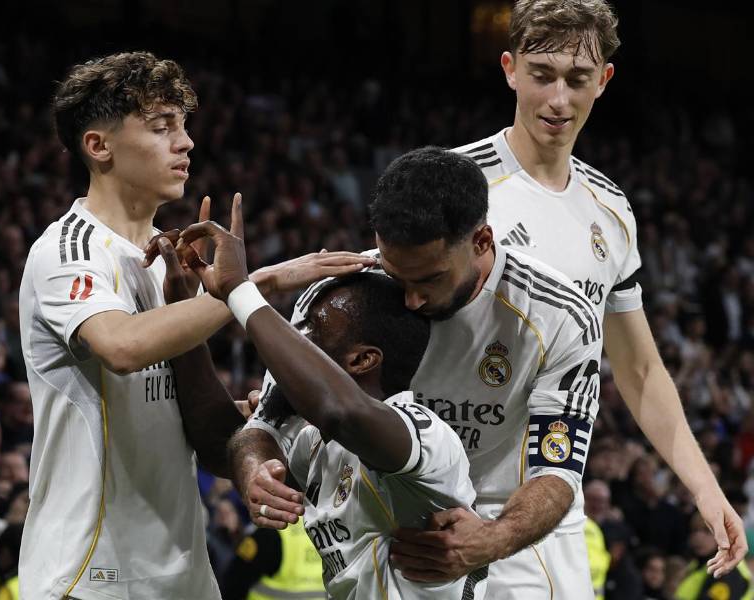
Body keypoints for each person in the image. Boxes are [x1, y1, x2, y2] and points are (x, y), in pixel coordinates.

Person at [18, 50, 372, 600]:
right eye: (161, 128)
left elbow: (188, 427)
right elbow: (121, 347)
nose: (184, 143)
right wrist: (261, 284)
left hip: (183, 573)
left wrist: (254, 434)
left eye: (183, 127)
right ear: (99, 146)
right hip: (94, 574)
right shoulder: (71, 249)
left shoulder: (165, 264)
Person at [445, 0, 745, 580]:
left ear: (603, 80)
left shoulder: (612, 211)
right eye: (542, 76)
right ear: (510, 69)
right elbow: (374, 322)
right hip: (452, 502)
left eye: (577, 79)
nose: (559, 99)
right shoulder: (454, 184)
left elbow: (639, 371)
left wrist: (707, 492)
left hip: (554, 512)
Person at [231, 146, 604, 598]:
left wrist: (491, 539)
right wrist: (255, 470)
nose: (410, 300)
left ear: (481, 241)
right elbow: (268, 420)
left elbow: (557, 468)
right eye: (395, 273)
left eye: (429, 280)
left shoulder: (559, 315)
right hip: (386, 521)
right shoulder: (344, 298)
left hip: (508, 522)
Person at [175, 190, 489, 597]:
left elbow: (343, 411)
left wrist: (241, 290)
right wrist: (180, 312)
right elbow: (220, 444)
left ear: (362, 360)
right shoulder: (316, 445)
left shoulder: (425, 435)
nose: (295, 338)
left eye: (312, 331)